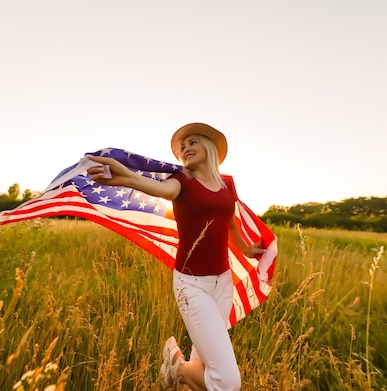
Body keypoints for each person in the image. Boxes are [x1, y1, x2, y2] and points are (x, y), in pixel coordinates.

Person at [87, 123, 266, 391]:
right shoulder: (181, 182)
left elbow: (229, 223)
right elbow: (156, 189)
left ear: (209, 147)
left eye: (192, 142)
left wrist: (246, 249)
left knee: (207, 368)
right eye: (182, 147)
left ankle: (182, 370)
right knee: (226, 382)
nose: (185, 149)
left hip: (223, 283)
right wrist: (126, 177)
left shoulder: (226, 183)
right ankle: (177, 368)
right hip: (192, 286)